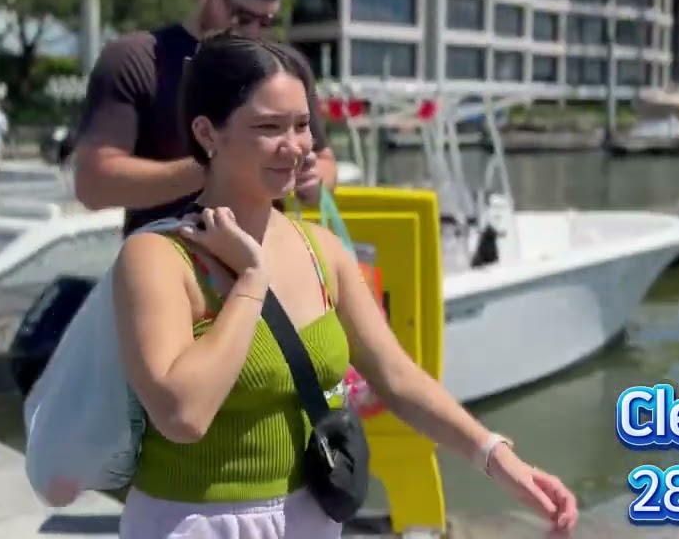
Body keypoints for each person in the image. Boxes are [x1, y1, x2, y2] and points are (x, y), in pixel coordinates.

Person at [112, 35, 578, 538]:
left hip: (310, 518)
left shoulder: (322, 250)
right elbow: (182, 415)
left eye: (302, 125)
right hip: (194, 523)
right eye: (268, 127)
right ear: (208, 133)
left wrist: (497, 457)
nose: (294, 147)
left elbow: (397, 378)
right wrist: (251, 281)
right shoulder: (157, 257)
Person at [73, 0, 338, 235]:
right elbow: (93, 183)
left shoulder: (284, 68)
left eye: (267, 21)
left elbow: (325, 161)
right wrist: (217, 166)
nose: (253, 31)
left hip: (263, 260)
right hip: (165, 265)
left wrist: (315, 180)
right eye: (241, 15)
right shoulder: (136, 59)